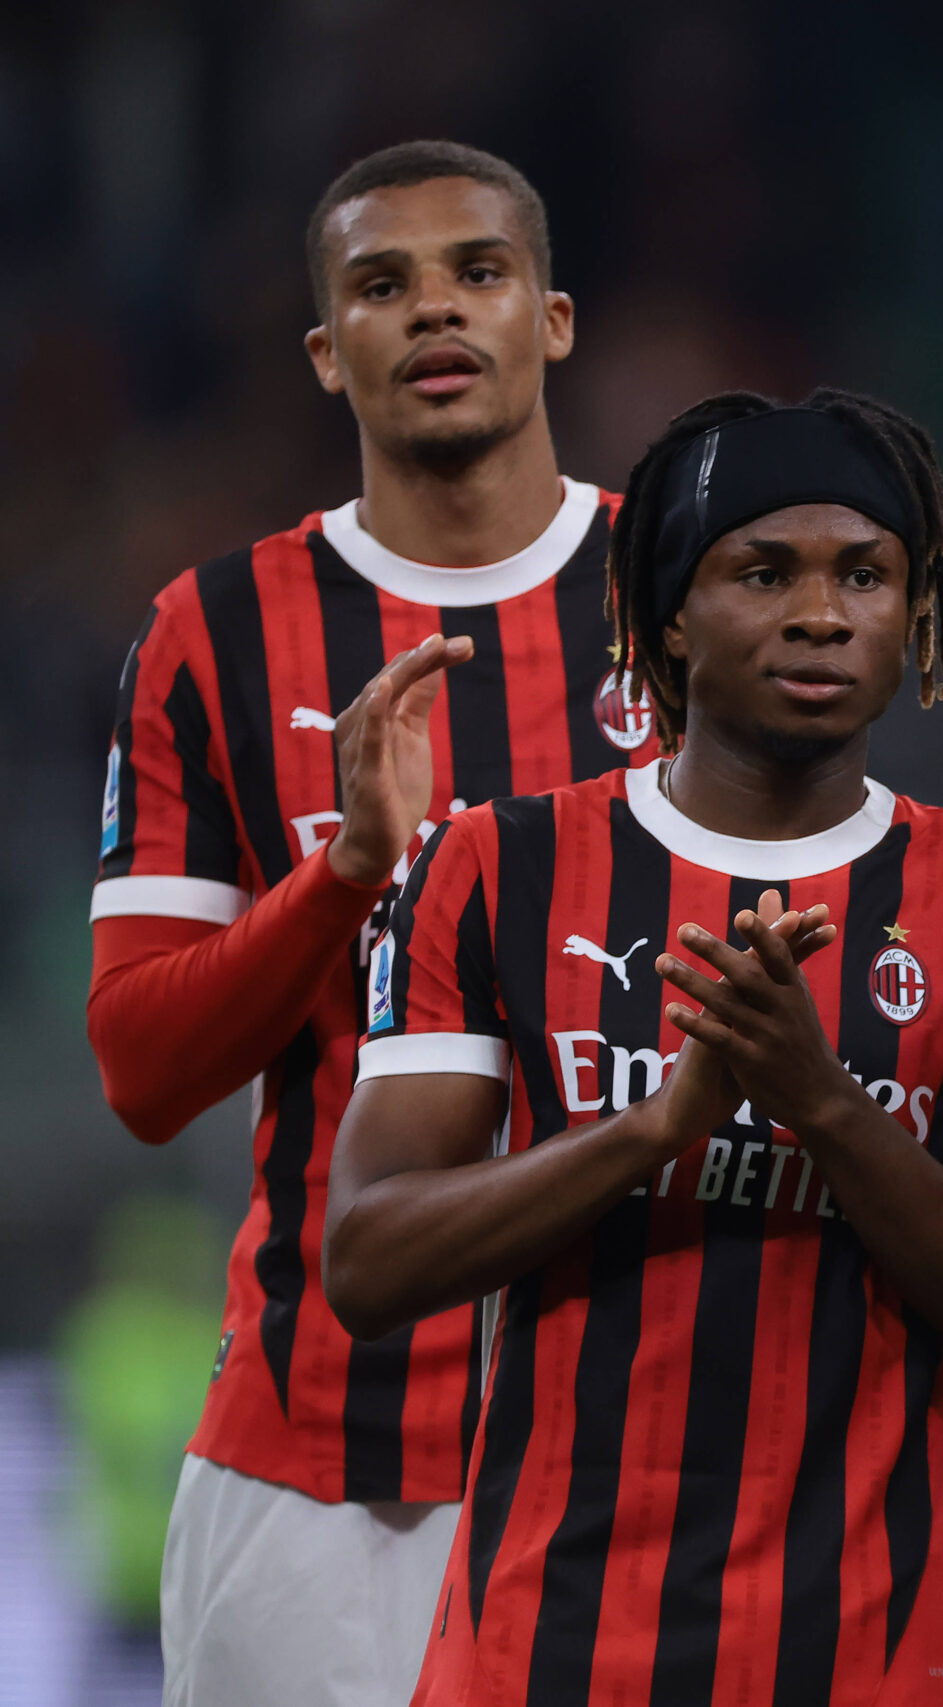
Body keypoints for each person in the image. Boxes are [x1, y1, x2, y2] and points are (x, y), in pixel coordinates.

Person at [325, 389, 943, 1706]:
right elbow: (365, 1262)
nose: (822, 614)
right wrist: (652, 1130)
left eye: (865, 574)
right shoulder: (497, 865)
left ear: (915, 612)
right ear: (672, 616)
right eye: (763, 572)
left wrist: (825, 1106)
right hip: (539, 1655)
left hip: (860, 1661)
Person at [86, 139, 656, 1704]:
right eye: (384, 286)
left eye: (480, 271)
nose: (436, 310)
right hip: (320, 1470)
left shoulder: (689, 601)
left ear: (553, 319)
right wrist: (342, 874)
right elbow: (141, 1069)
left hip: (646, 1457)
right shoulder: (213, 632)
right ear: (330, 353)